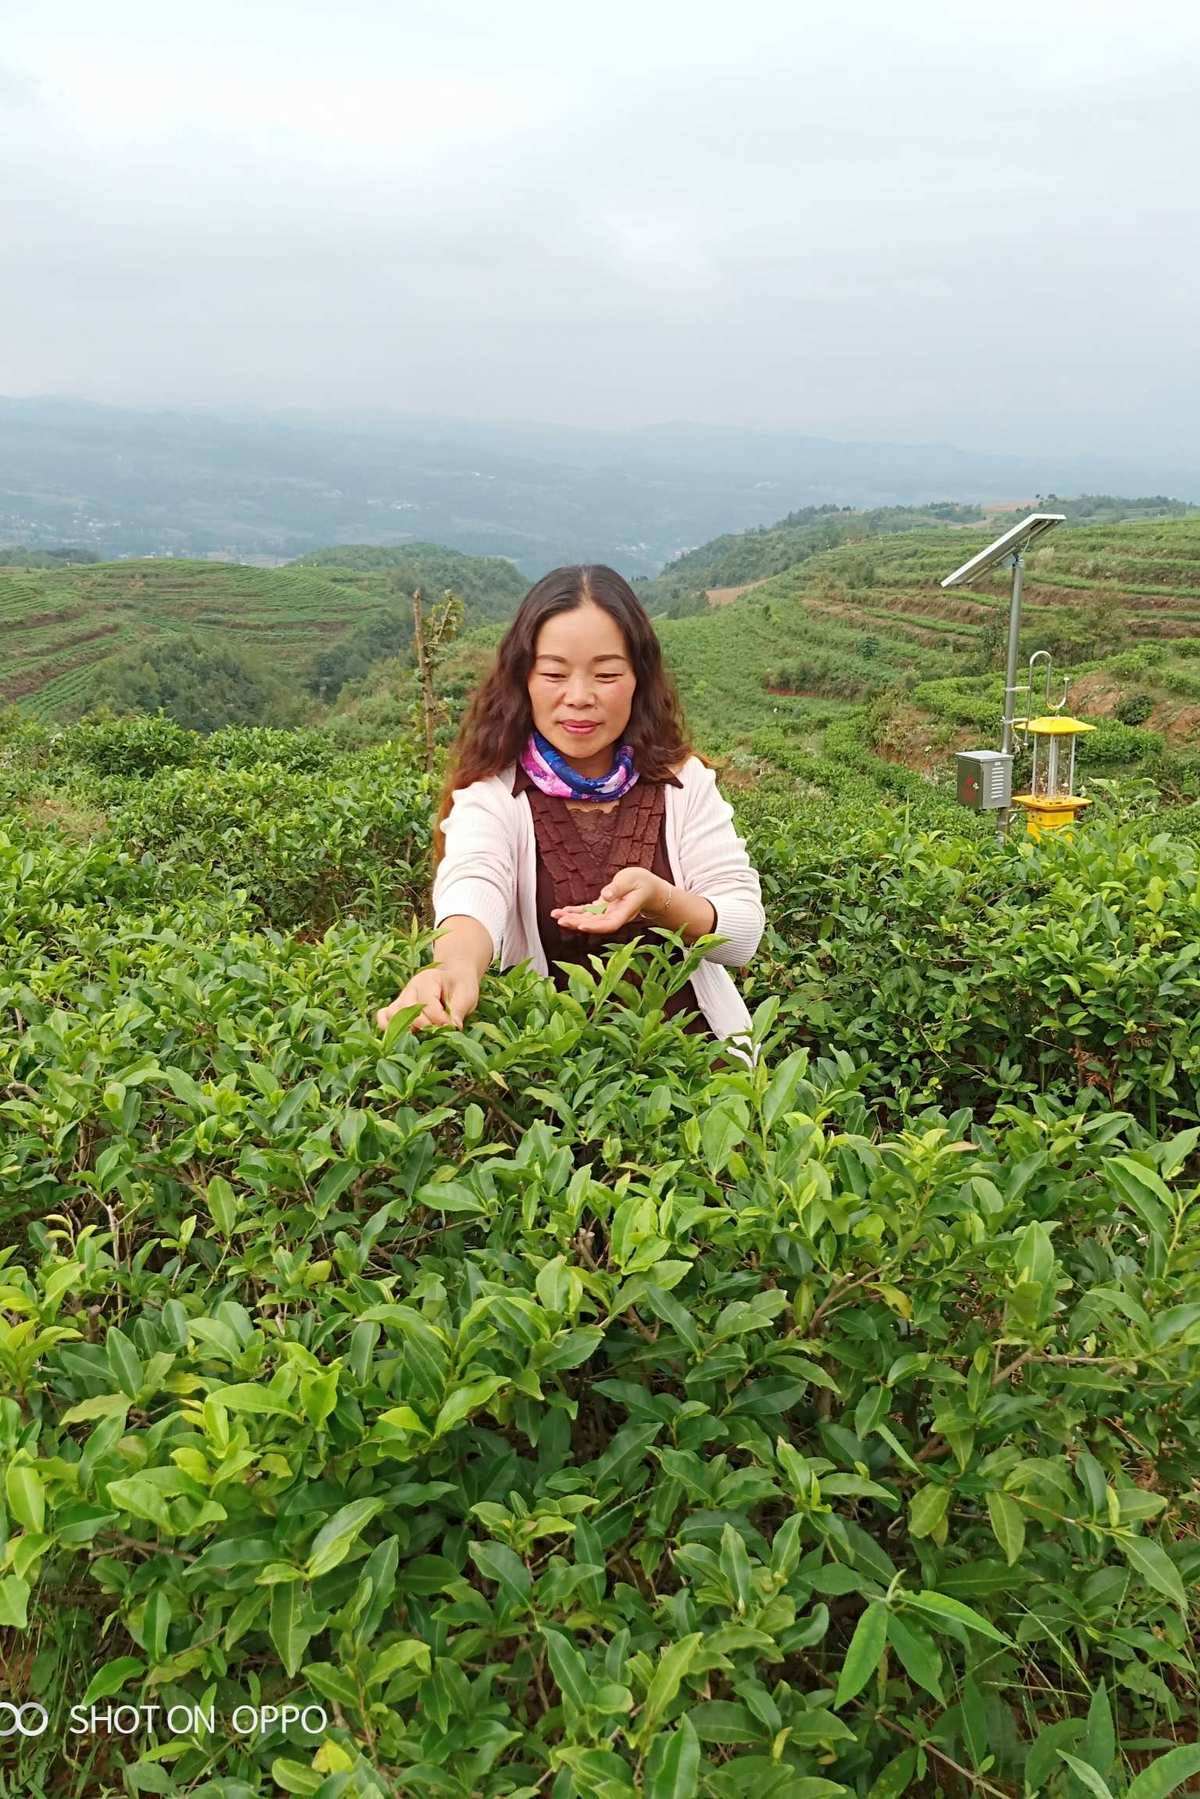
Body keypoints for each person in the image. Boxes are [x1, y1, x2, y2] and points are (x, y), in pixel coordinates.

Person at [375, 563, 765, 1065]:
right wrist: (454, 969)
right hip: (561, 1090)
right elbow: (474, 886)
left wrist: (661, 901)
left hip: (699, 1081)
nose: (579, 697)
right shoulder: (495, 795)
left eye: (605, 675)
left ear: (638, 680)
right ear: (524, 680)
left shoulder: (682, 783)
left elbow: (743, 933)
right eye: (555, 674)